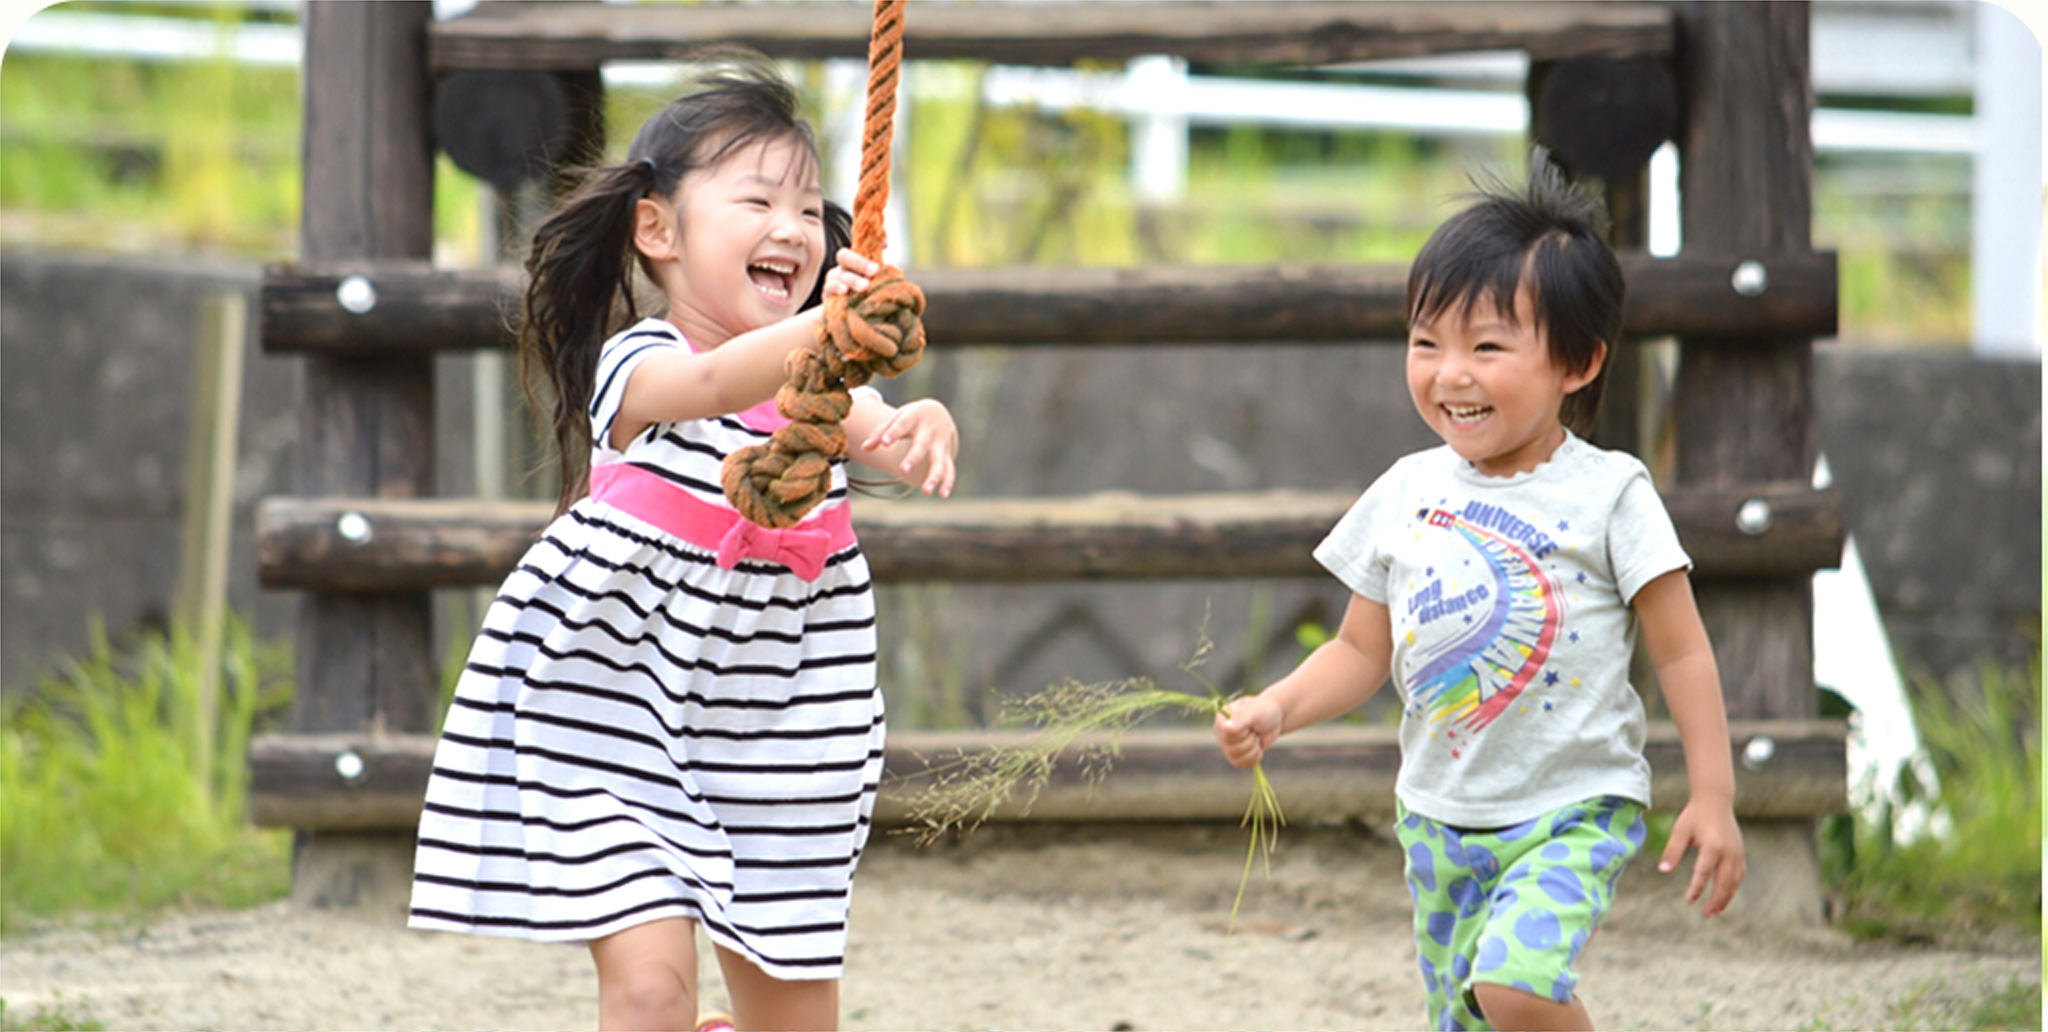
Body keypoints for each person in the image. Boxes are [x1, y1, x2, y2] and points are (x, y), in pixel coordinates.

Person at [409, 59, 959, 1032]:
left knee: (796, 1009)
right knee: (651, 991)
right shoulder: (644, 363)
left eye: (807, 208)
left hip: (783, 719)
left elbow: (879, 425)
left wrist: (923, 425)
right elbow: (713, 389)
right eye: (756, 200)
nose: (792, 228)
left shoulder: (819, 394)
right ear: (657, 230)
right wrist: (824, 334)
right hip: (614, 703)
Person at [1213, 150, 1744, 1032]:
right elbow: (1357, 651)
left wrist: (1714, 792)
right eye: (1427, 343)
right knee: (1469, 1016)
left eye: (1487, 347)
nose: (1449, 373)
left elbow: (1681, 647)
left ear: (1576, 364)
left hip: (1571, 806)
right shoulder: (1406, 489)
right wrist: (1277, 708)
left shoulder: (1610, 494)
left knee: (1517, 985)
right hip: (1438, 816)